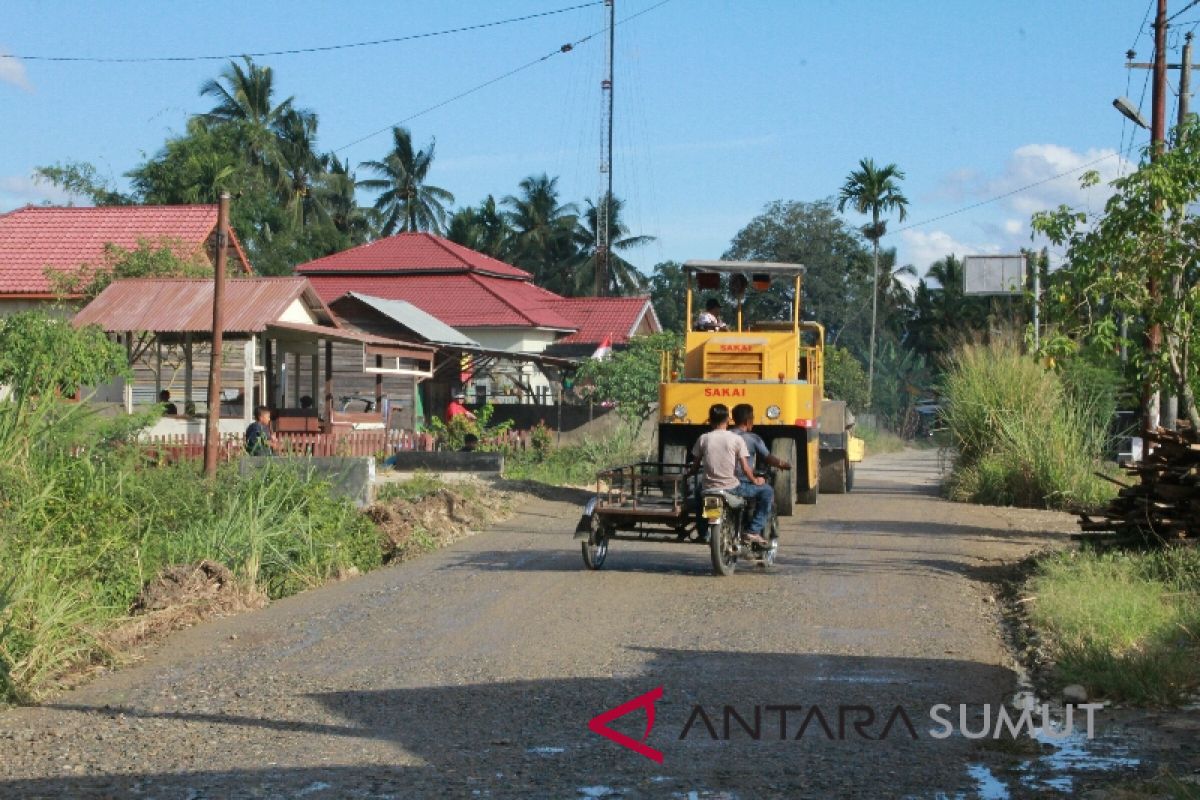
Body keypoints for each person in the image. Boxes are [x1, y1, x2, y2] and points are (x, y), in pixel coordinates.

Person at [687, 403, 771, 545]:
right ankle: (753, 531)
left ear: (710, 420)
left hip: (709, 487)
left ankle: (703, 532)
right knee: (767, 491)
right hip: (732, 487)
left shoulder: (703, 439)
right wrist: (755, 480)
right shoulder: (736, 439)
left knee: (698, 496)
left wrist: (686, 475)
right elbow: (745, 468)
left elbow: (695, 467)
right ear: (728, 420)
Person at [730, 403, 792, 480]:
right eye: (753, 419)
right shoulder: (753, 438)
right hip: (743, 481)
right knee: (767, 490)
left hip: (722, 482)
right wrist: (782, 464)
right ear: (748, 421)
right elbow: (768, 458)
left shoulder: (723, 436)